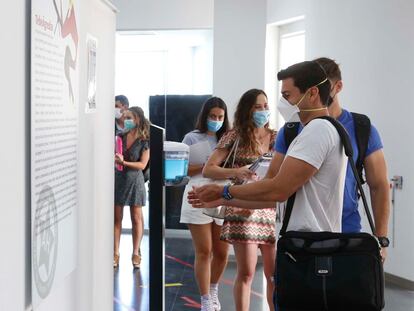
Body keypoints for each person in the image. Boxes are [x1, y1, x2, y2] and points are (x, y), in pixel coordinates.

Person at [189, 62, 348, 310]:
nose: (281, 103)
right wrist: (224, 199)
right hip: (305, 241)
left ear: (313, 93)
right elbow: (275, 196)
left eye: (287, 95)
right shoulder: (313, 130)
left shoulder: (317, 131)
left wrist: (225, 191)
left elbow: (277, 189)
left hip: (311, 243)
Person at [275, 57, 390, 259]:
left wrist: (380, 240)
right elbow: (274, 183)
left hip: (346, 233)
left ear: (338, 86)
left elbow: (379, 185)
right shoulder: (291, 130)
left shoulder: (362, 128)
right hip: (301, 235)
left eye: (323, 85)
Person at [202, 89, 277, 311]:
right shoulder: (234, 136)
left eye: (265, 106)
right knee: (247, 271)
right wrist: (237, 172)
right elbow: (209, 169)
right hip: (240, 207)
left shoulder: (276, 136)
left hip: (267, 207)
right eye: (258, 106)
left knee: (273, 275)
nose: (263, 110)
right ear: (247, 109)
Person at [179, 97, 231, 311]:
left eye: (220, 117)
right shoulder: (191, 138)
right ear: (205, 116)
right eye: (213, 116)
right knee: (204, 250)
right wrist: (207, 166)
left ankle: (214, 289)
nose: (216, 120)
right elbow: (182, 169)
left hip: (224, 195)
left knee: (221, 252)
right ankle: (205, 300)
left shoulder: (230, 138)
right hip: (196, 193)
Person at [114, 106, 150, 269]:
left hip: (135, 180)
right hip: (119, 178)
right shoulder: (119, 137)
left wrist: (124, 162)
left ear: (137, 120)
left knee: (136, 218)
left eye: (129, 118)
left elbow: (142, 165)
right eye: (125, 117)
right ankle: (115, 252)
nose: (126, 120)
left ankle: (136, 252)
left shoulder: (145, 141)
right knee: (116, 218)